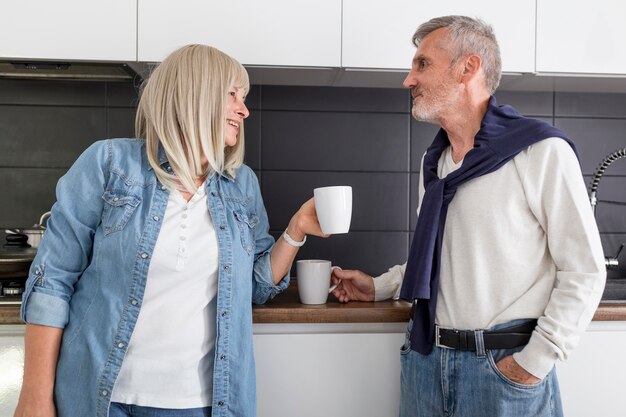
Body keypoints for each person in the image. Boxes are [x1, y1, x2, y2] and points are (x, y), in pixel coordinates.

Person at [14, 44, 325, 417]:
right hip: (100, 398)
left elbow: (255, 288)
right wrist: (34, 397)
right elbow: (52, 282)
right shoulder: (109, 164)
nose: (244, 110)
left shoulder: (241, 185)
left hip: (200, 405)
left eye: (244, 98)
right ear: (195, 94)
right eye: (232, 94)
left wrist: (296, 230)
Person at [330, 15, 606, 417]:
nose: (409, 79)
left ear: (468, 68)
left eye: (422, 64)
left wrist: (532, 364)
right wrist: (380, 286)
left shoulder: (540, 152)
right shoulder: (436, 163)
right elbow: (441, 260)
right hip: (426, 363)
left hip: (502, 370)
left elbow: (585, 270)